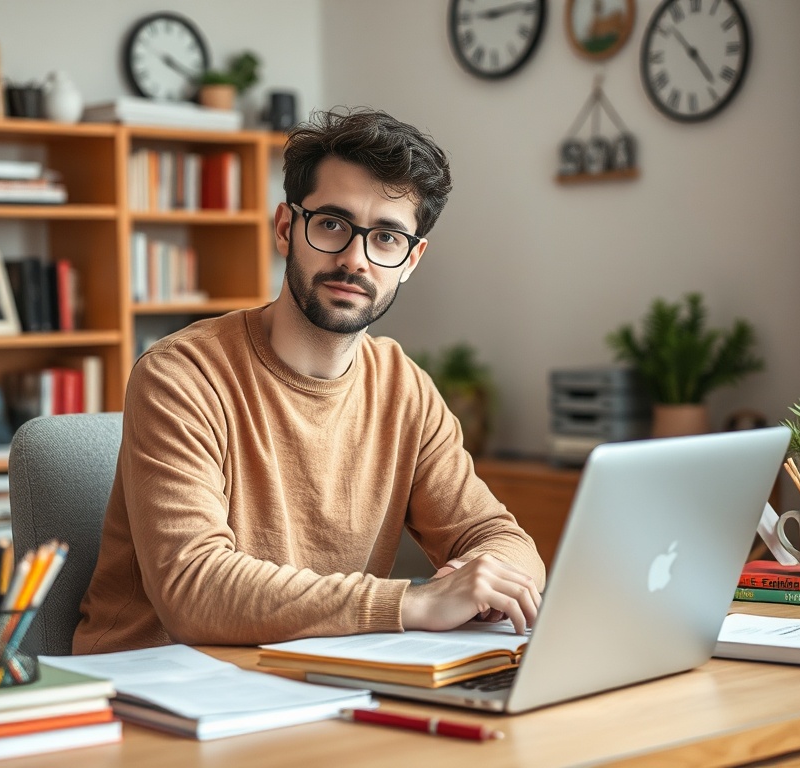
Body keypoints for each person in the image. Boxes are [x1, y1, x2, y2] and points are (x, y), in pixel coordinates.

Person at [74, 107, 545, 653]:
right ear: (285, 228)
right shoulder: (182, 374)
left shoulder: (404, 390)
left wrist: (483, 576)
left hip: (312, 681)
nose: (355, 260)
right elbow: (192, 588)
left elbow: (504, 540)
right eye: (331, 225)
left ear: (411, 260)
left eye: (387, 238)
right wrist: (413, 604)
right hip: (155, 690)